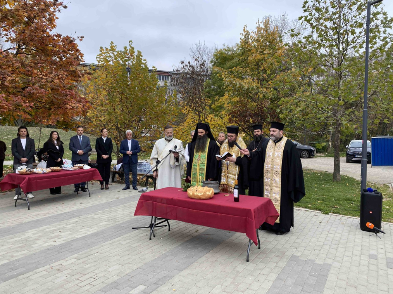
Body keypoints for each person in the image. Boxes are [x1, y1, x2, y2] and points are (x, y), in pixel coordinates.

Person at [240, 122, 305, 235]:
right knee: (266, 201)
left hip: (282, 183)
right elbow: (259, 156)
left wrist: (291, 182)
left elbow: (295, 166)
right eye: (270, 131)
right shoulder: (267, 144)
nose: (271, 133)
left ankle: (282, 227)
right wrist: (249, 153)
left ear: (281, 132)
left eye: (274, 131)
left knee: (282, 204)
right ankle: (267, 224)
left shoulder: (289, 145)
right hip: (267, 182)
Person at [228, 124, 269, 197]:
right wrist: (248, 154)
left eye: (258, 131)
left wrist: (253, 153)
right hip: (252, 174)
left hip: (262, 174)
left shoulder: (266, 142)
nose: (256, 133)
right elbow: (246, 159)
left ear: (262, 132)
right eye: (255, 132)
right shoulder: (251, 143)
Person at [150, 125, 184, 189]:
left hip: (174, 170)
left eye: (171, 132)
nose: (169, 134)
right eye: (167, 133)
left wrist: (177, 156)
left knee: (174, 187)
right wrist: (155, 170)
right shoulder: (158, 143)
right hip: (162, 170)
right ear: (164, 133)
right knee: (162, 187)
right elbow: (153, 157)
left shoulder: (178, 142)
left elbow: (183, 157)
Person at [219, 125, 247, 193]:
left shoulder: (241, 145)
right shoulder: (224, 145)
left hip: (237, 178)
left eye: (232, 136)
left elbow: (245, 161)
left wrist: (235, 160)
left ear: (236, 136)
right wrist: (219, 158)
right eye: (228, 136)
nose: (229, 138)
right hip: (225, 178)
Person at [11, 126, 35, 199]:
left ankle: (29, 192)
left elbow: (32, 150)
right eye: (21, 131)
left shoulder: (31, 140)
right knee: (17, 178)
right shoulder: (15, 140)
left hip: (29, 161)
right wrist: (20, 158)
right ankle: (18, 194)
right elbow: (14, 151)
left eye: (24, 131)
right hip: (18, 161)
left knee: (29, 178)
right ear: (19, 132)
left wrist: (27, 158)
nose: (23, 132)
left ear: (27, 132)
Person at [69, 126, 92, 193]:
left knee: (84, 173)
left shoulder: (86, 138)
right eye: (79, 130)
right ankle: (76, 186)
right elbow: (71, 147)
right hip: (76, 158)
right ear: (77, 131)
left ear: (83, 131)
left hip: (84, 157)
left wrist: (83, 151)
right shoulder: (73, 138)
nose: (80, 131)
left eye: (81, 130)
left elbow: (89, 147)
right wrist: (77, 151)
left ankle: (83, 186)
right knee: (75, 173)